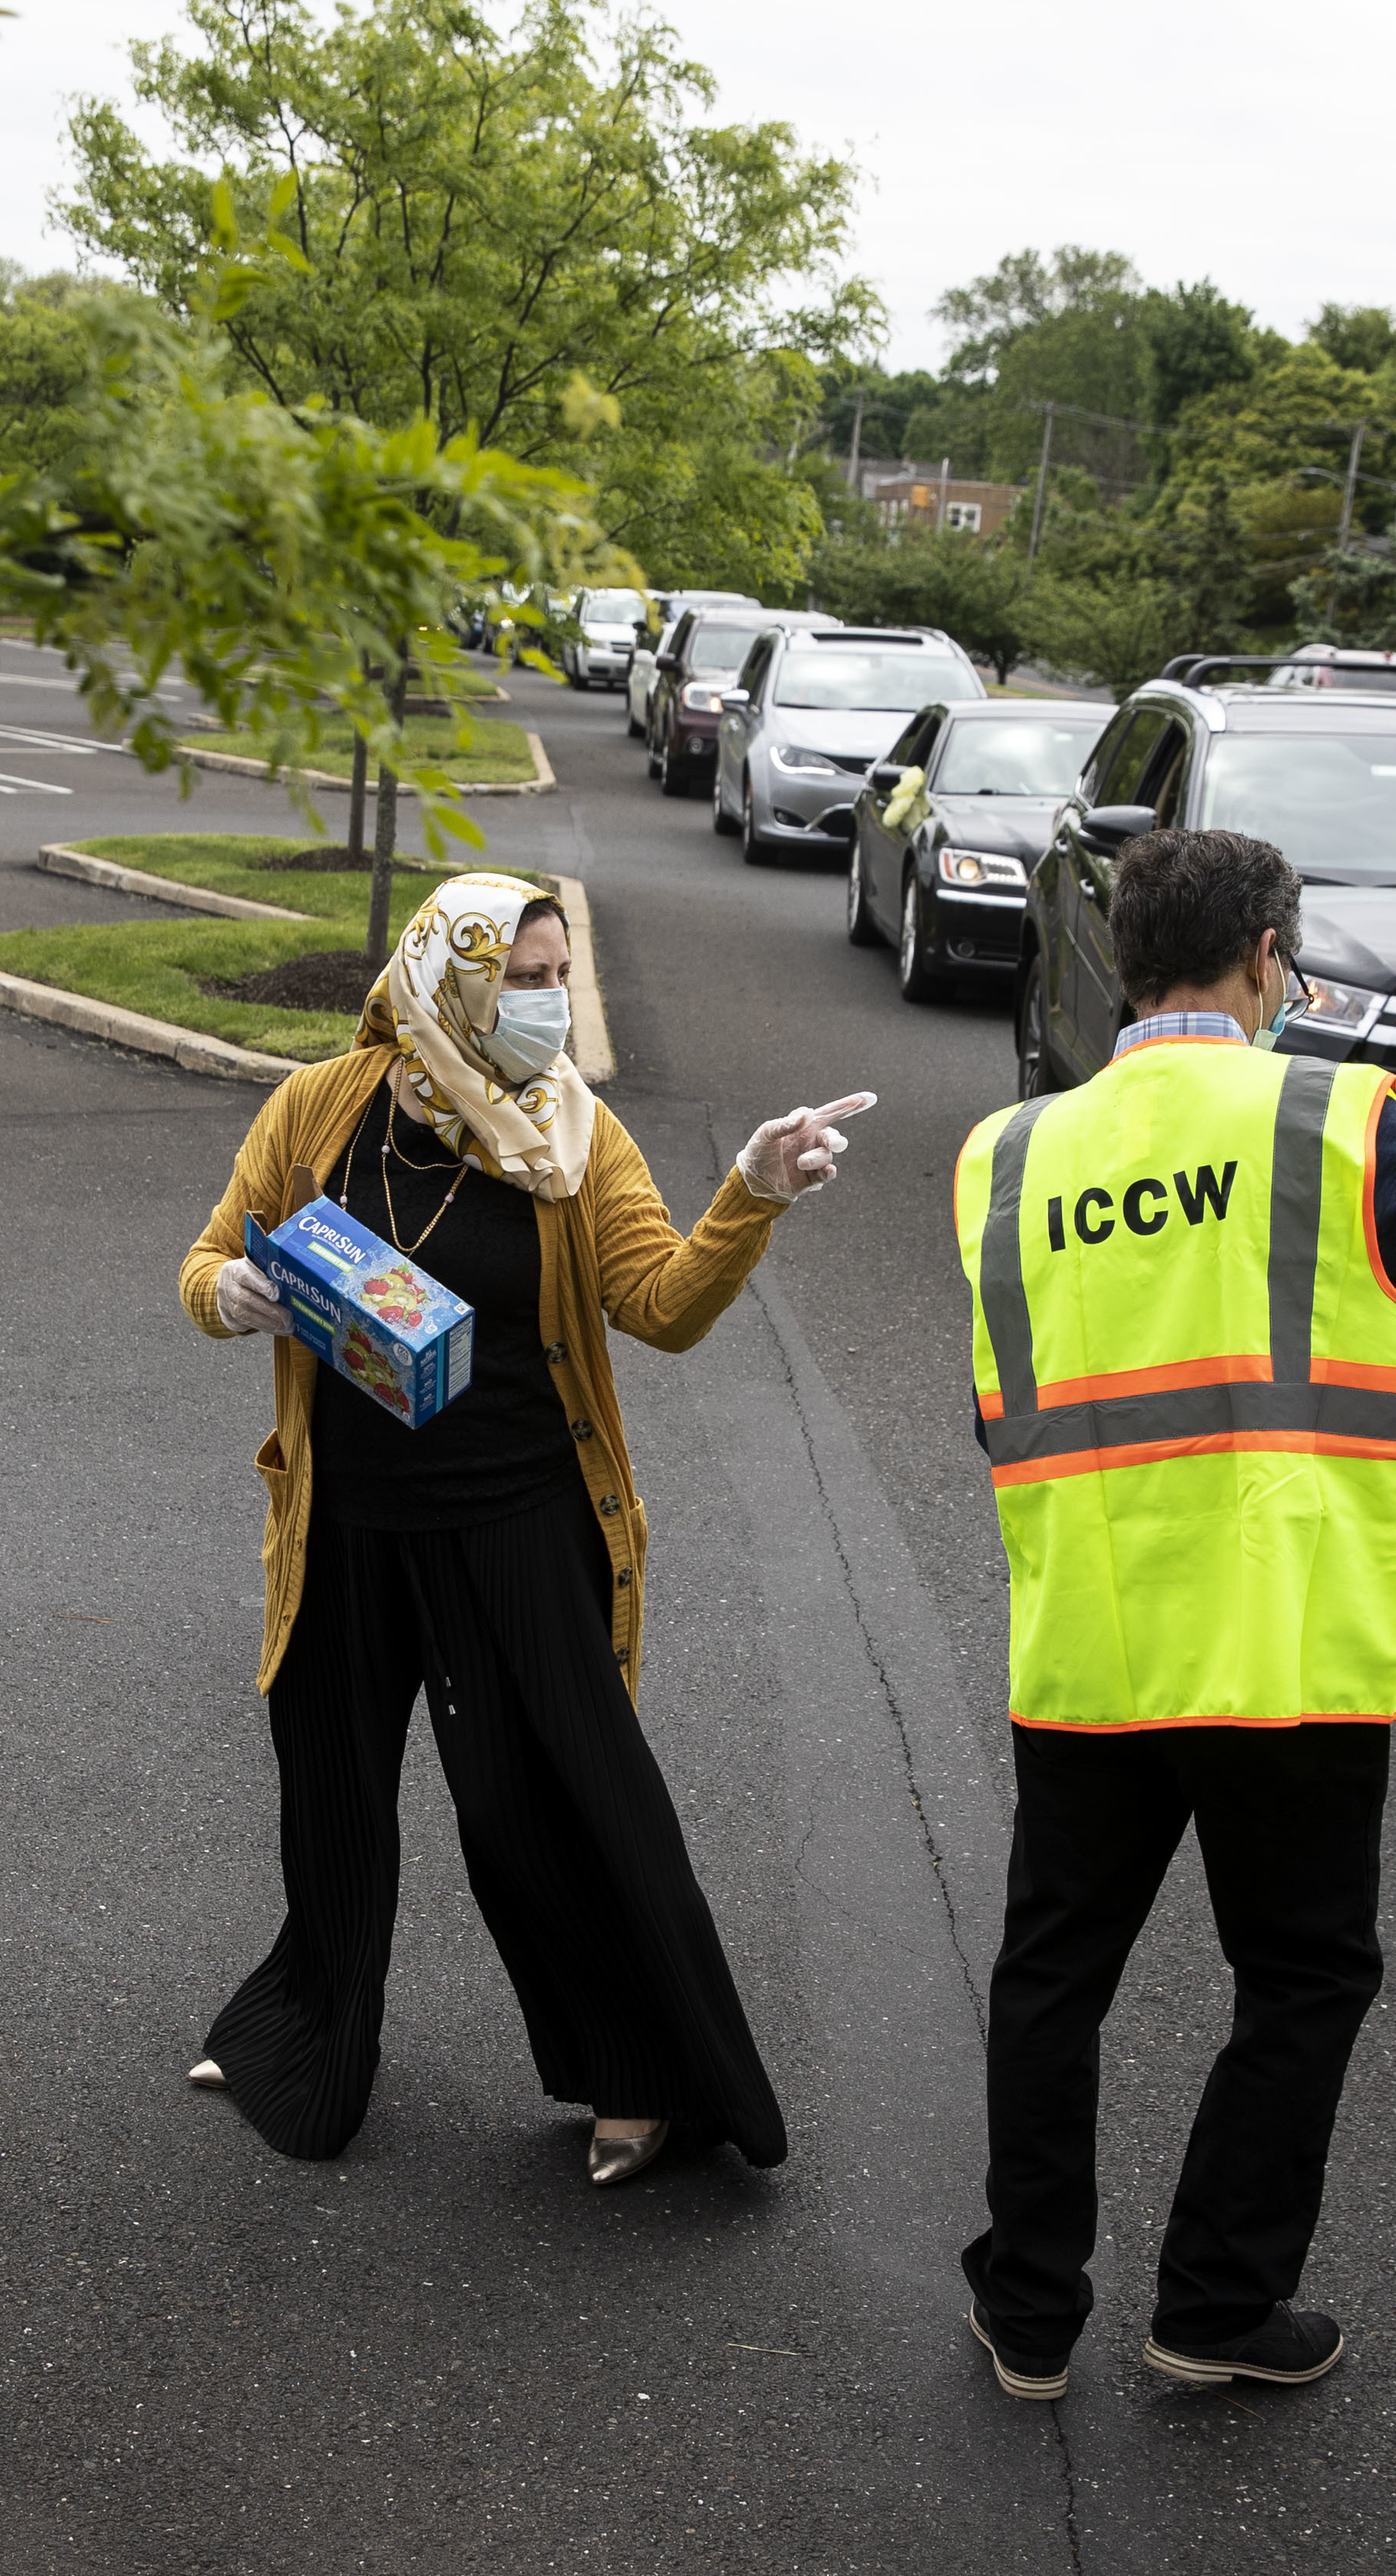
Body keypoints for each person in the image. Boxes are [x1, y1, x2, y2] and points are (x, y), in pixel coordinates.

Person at [949, 826, 1396, 2399]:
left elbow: (1002, 1406)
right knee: (1300, 1976)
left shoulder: (1011, 1155)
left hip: (1093, 1634)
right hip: (1287, 1644)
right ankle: (1215, 2309)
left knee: (1053, 1977)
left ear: (1132, 956)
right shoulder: (1350, 1125)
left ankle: (1029, 2317)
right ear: (1263, 960)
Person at [177, 870, 875, 2186]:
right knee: (329, 1786)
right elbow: (205, 1263)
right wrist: (245, 1297)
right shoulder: (319, 1110)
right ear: (454, 982)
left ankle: (645, 2078)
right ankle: (304, 2032)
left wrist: (753, 1193)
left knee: (542, 1802)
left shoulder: (575, 1137)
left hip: (518, 1518)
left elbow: (659, 1306)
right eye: (530, 979)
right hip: (348, 1519)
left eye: (566, 978)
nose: (555, 1005)